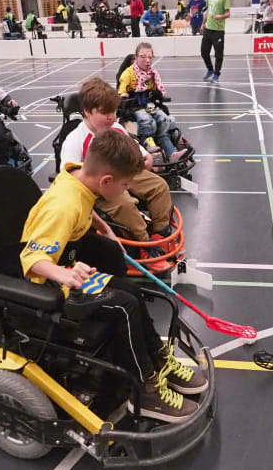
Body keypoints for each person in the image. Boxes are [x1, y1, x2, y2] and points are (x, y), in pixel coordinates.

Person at [21, 129, 206, 423]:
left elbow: (85, 202)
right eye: (125, 185)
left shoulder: (76, 176)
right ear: (106, 181)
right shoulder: (63, 207)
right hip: (53, 288)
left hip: (72, 270)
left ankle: (158, 359)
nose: (127, 191)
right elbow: (30, 260)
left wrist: (105, 229)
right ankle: (144, 391)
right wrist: (63, 274)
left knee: (130, 292)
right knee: (123, 305)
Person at [60, 78, 175, 273]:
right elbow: (68, 177)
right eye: (105, 112)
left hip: (122, 174)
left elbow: (132, 144)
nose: (111, 117)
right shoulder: (74, 140)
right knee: (125, 204)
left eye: (113, 111)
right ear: (87, 111)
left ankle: (159, 233)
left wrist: (145, 155)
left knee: (159, 186)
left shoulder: (117, 128)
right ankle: (145, 244)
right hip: (98, 187)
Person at [118, 43, 189, 163]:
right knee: (148, 121)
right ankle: (150, 147)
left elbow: (157, 91)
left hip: (147, 105)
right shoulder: (128, 74)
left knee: (165, 119)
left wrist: (158, 94)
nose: (147, 60)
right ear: (136, 58)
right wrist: (123, 96)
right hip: (132, 110)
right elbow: (122, 89)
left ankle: (172, 152)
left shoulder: (152, 74)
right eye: (143, 57)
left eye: (150, 57)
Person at [201, 0, 230, 83]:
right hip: (207, 29)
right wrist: (203, 24)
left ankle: (216, 73)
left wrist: (220, 17)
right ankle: (210, 69)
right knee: (204, 52)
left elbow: (228, 14)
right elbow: (208, 11)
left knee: (218, 54)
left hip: (218, 31)